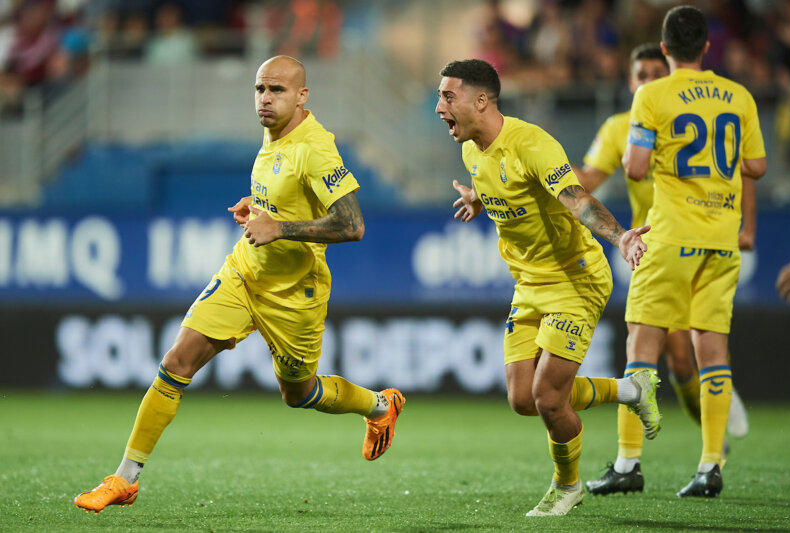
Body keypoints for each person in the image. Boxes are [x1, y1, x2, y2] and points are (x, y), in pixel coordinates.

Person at [74, 55, 405, 513]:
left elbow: (352, 225)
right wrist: (259, 207)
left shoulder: (316, 148)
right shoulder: (274, 134)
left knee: (300, 394)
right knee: (176, 361)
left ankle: (378, 407)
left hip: (294, 293)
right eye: (260, 90)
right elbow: (286, 195)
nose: (266, 100)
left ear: (303, 96)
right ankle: (124, 479)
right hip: (243, 274)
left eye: (278, 91)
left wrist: (280, 228)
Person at [436, 58, 661, 517]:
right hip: (528, 282)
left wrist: (620, 236)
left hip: (575, 278)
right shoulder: (471, 149)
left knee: (547, 398)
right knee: (523, 399)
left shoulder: (533, 144)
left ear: (481, 100)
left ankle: (568, 486)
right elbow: (504, 183)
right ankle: (632, 390)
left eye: (447, 96)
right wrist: (480, 198)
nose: (440, 106)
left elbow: (576, 199)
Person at [577, 43, 751, 497]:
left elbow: (636, 170)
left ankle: (642, 459)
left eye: (657, 69)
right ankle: (714, 448)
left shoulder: (656, 109)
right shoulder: (620, 125)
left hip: (667, 244)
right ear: (630, 80)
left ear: (669, 62)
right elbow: (588, 181)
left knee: (659, 351)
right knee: (687, 354)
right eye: (641, 73)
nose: (650, 79)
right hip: (675, 243)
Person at [620, 5, 766, 498]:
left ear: (663, 49)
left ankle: (628, 462)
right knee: (713, 352)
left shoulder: (652, 94)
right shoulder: (738, 95)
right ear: (706, 47)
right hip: (722, 241)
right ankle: (709, 466)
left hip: (671, 236)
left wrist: (638, 150)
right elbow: (757, 166)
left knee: (642, 345)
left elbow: (636, 168)